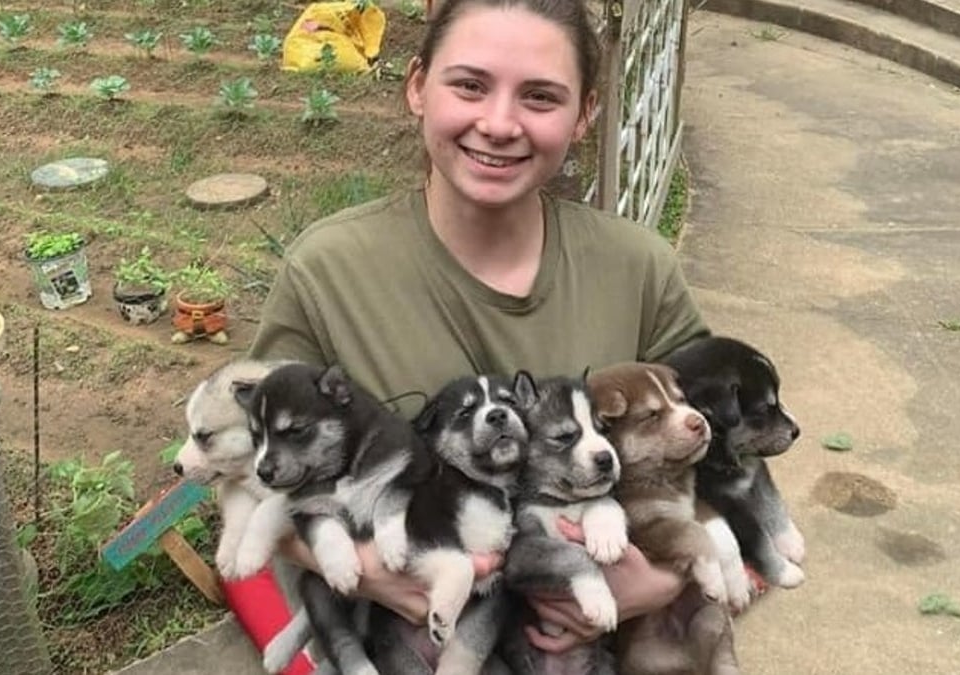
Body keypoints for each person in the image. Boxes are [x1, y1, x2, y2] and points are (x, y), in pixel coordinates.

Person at [248, 0, 711, 657]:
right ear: (417, 87)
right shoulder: (329, 272)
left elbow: (729, 458)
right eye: (469, 85)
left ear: (585, 114)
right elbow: (246, 472)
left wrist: (661, 581)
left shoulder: (637, 269)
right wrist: (361, 565)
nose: (498, 124)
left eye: (541, 97)